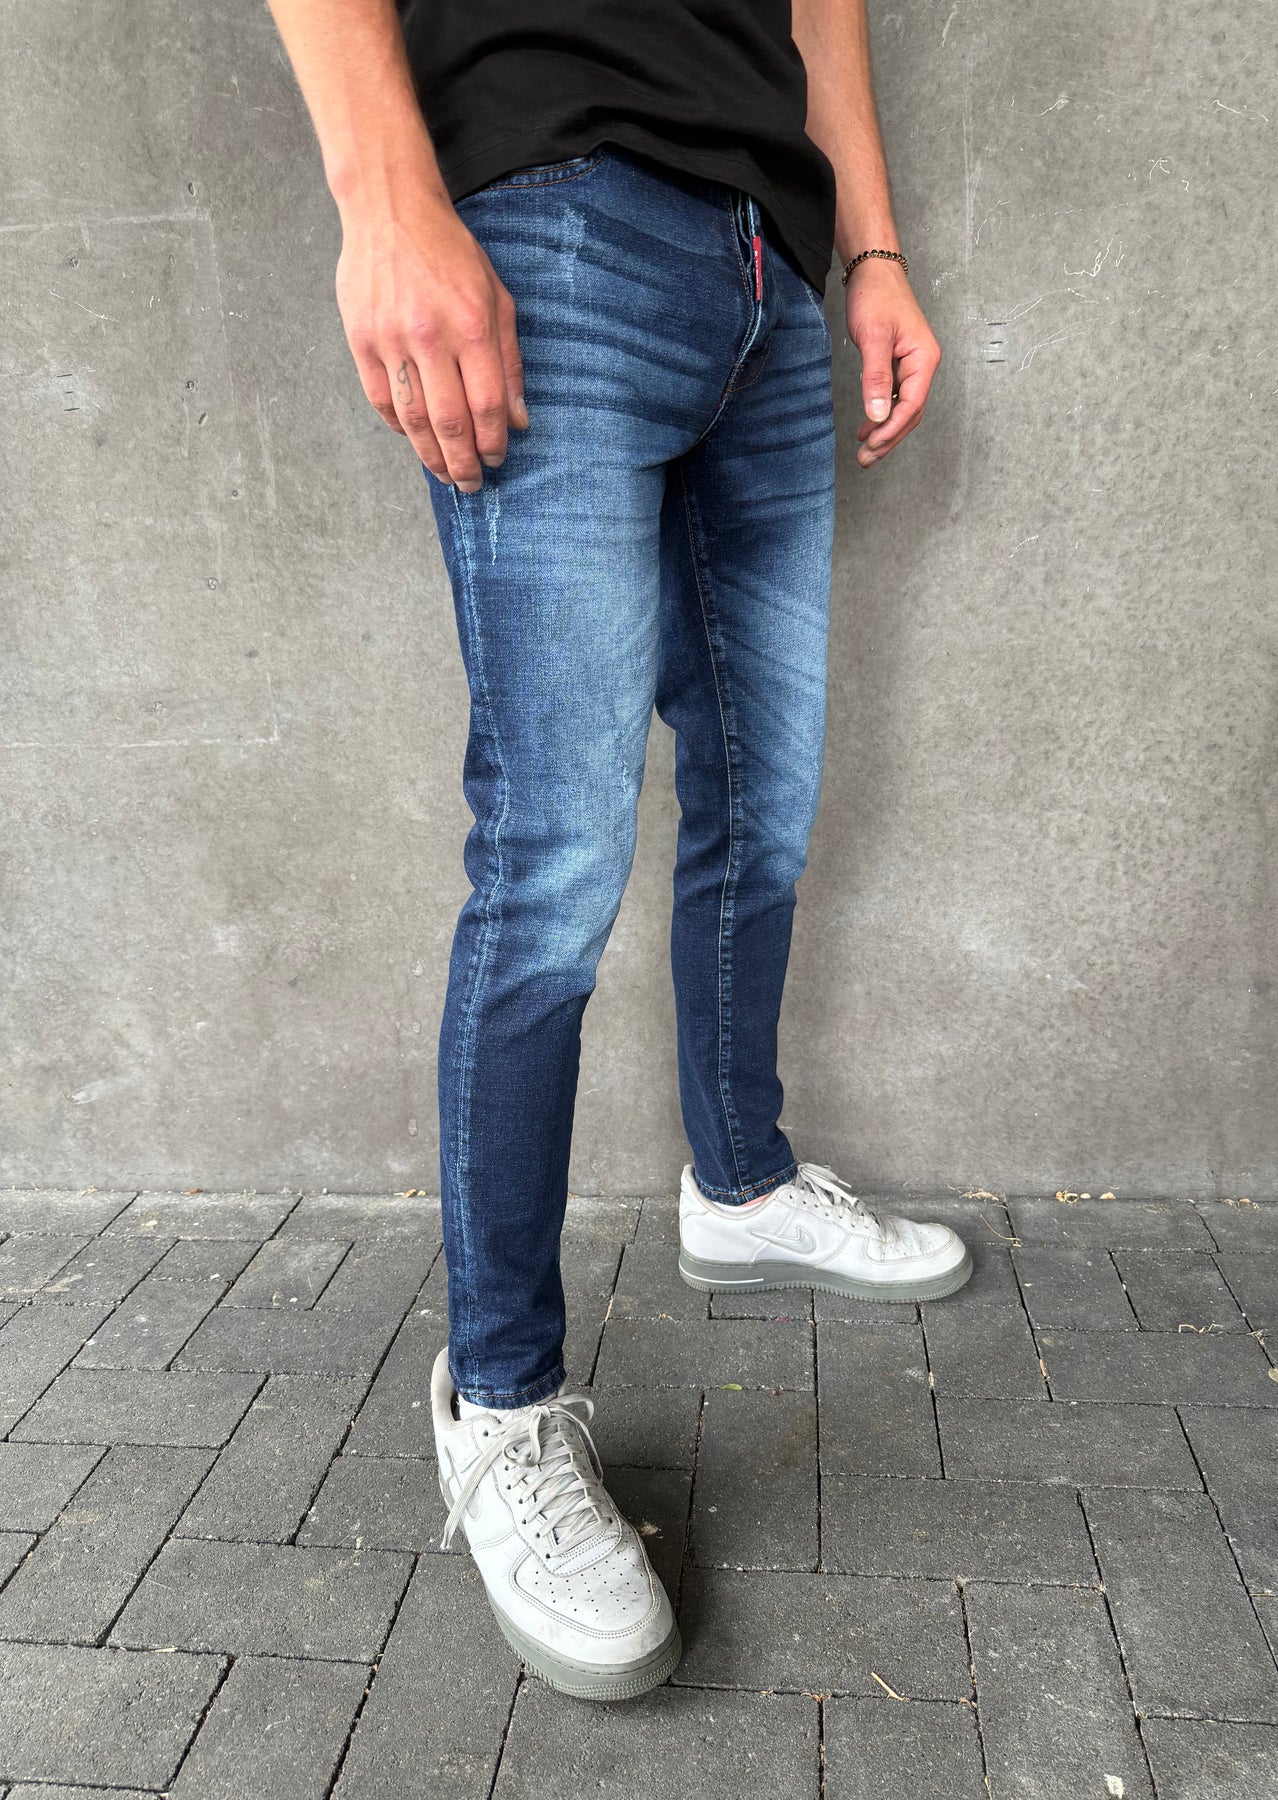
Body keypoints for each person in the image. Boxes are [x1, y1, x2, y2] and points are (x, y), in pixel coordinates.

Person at [264, 0, 968, 1702]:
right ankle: (500, 1407)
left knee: (764, 802)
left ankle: (740, 1188)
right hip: (548, 216)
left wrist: (868, 250)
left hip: (765, 268)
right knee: (553, 867)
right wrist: (383, 199)